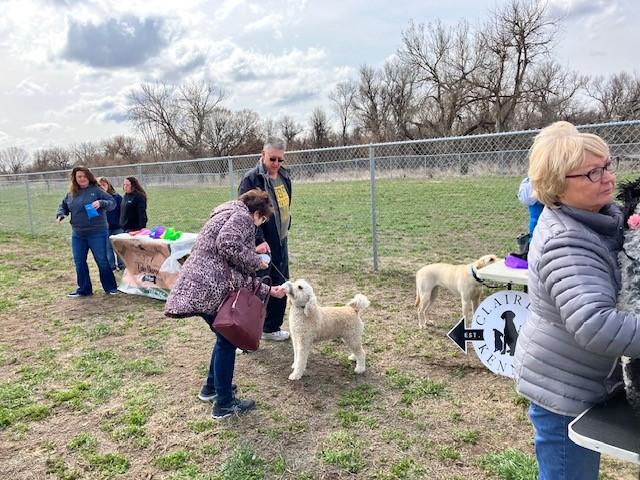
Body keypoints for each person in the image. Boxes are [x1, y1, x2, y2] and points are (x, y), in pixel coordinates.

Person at [513, 121, 640, 480]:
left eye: (609, 165)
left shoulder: (600, 219)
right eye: (592, 172)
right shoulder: (565, 241)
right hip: (562, 387)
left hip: (580, 374)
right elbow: (595, 324)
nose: (608, 177)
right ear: (557, 186)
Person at [164, 189, 286, 420]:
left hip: (200, 284)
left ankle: (212, 389)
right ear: (257, 213)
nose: (259, 226)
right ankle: (224, 405)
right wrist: (257, 261)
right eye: (262, 220)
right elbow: (228, 245)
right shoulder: (242, 218)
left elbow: (234, 266)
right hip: (208, 287)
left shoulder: (226, 213)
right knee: (228, 339)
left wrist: (268, 290)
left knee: (224, 338)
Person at [238, 137, 292, 341]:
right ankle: (245, 333)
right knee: (258, 287)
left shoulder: (284, 177)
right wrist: (258, 239)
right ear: (262, 155)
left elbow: (285, 205)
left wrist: (287, 224)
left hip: (281, 240)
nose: (276, 164)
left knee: (281, 282)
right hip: (261, 244)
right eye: (272, 159)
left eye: (280, 160)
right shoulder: (251, 179)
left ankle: (271, 328)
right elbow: (245, 213)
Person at [56, 166, 119, 297]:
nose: (82, 179)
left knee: (101, 260)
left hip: (97, 232)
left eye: (84, 176)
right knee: (79, 261)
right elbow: (64, 205)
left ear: (89, 177)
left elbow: (112, 203)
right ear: (75, 179)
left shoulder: (96, 190)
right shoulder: (71, 193)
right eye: (79, 177)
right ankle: (84, 289)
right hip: (78, 234)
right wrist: (61, 214)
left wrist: (101, 203)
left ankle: (110, 287)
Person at [98, 177, 124, 270]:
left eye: (104, 185)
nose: (102, 187)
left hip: (117, 226)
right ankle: (111, 266)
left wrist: (122, 223)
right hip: (104, 228)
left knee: (119, 247)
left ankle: (122, 265)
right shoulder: (96, 199)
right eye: (99, 185)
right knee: (108, 248)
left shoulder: (117, 197)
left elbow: (123, 211)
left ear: (108, 185)